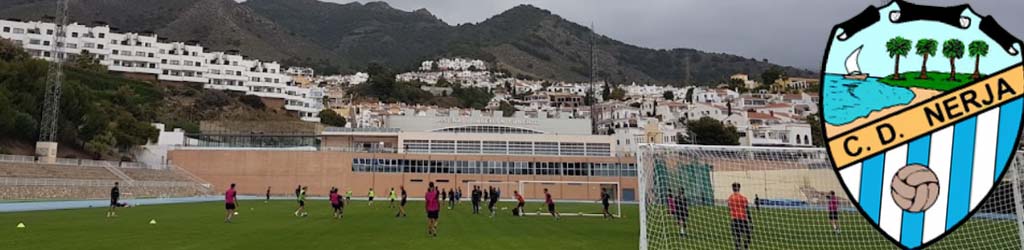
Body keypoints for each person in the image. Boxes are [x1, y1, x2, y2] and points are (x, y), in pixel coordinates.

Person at [728, 183, 752, 250]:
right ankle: (746, 246)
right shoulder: (743, 198)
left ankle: (738, 248)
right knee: (748, 234)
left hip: (734, 219)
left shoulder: (730, 198)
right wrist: (750, 220)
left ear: (732, 189)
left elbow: (729, 209)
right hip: (743, 219)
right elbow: (747, 209)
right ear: (739, 188)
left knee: (737, 236)